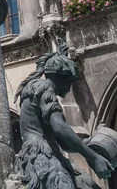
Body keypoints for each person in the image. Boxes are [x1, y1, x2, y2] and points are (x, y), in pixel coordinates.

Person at [14, 41, 113, 188]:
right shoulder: (44, 86)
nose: (68, 89)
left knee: (88, 185)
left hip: (51, 155)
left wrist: (87, 146)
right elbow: (60, 127)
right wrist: (92, 157)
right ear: (61, 78)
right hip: (40, 157)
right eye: (70, 83)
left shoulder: (42, 90)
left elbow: (64, 143)